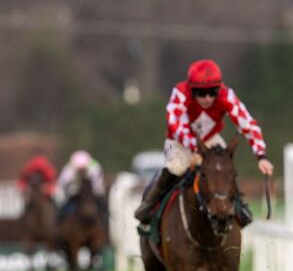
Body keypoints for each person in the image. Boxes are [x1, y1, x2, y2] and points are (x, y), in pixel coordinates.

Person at [134, 59, 274, 229]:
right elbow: (176, 125)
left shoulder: (226, 95)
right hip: (176, 141)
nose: (207, 98)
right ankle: (150, 205)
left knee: (223, 165)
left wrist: (261, 156)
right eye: (201, 93)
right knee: (177, 166)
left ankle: (239, 206)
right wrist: (195, 151)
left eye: (212, 92)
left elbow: (247, 123)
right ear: (192, 91)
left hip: (209, 138)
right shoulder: (180, 93)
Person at [56, 150, 106, 217]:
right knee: (63, 208)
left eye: (83, 169)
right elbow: (62, 185)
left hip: (91, 192)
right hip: (73, 194)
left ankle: (106, 219)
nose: (81, 172)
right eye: (80, 170)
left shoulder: (95, 168)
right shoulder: (68, 170)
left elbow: (98, 185)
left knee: (103, 206)